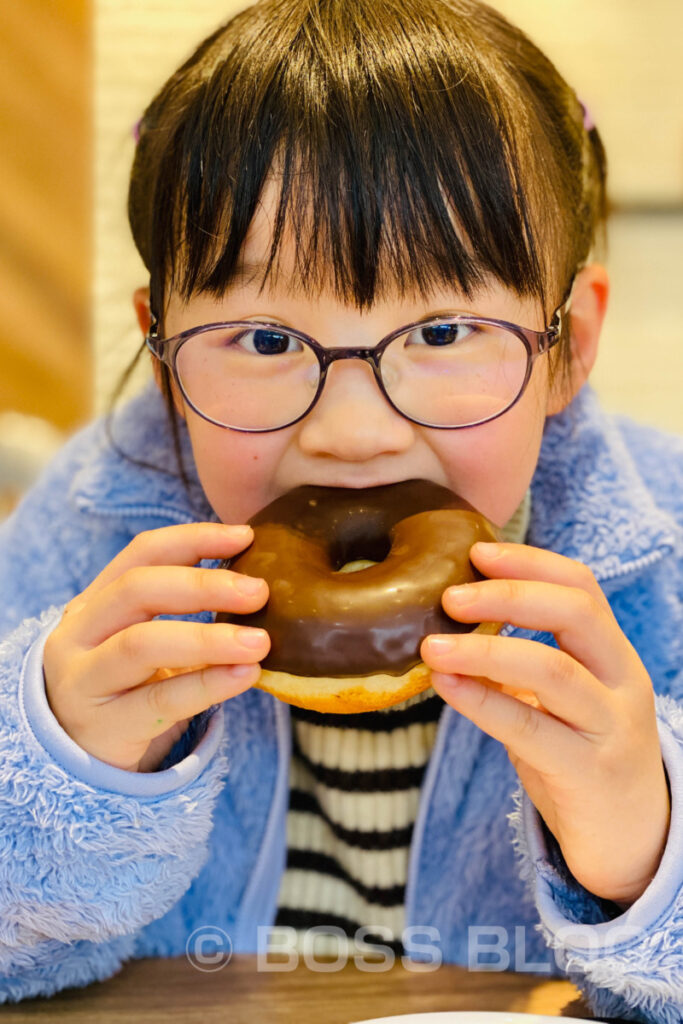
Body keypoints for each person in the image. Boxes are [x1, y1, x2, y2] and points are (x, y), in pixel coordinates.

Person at [1, 0, 681, 1016]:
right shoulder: (93, 540)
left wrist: (646, 845)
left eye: (442, 331)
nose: (352, 431)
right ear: (161, 350)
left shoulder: (653, 554)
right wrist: (58, 764)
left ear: (567, 344)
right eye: (265, 341)